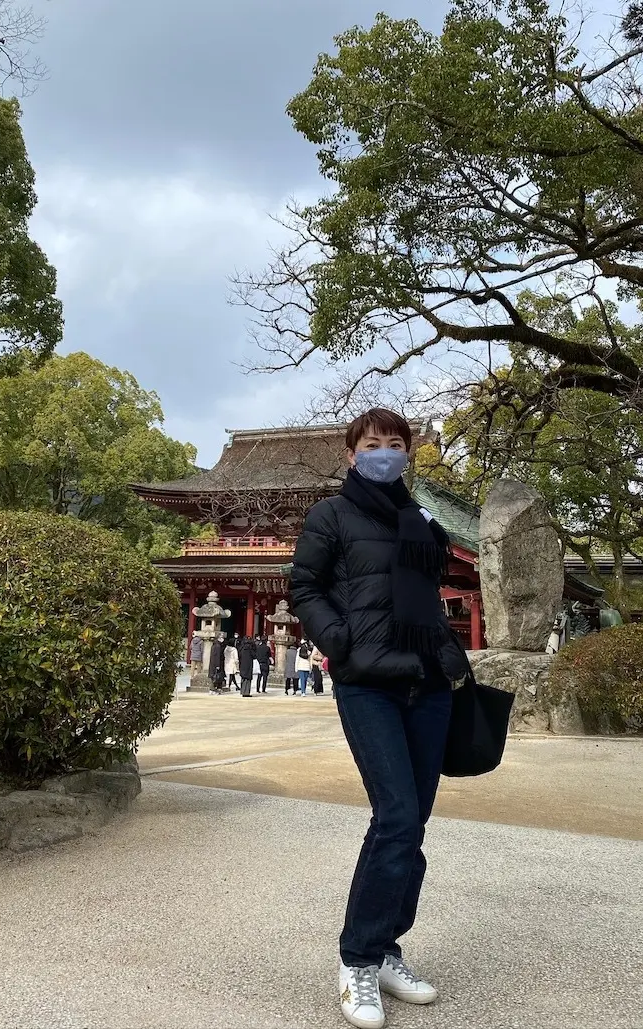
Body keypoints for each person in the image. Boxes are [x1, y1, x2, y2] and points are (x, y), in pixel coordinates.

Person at [289, 408, 469, 1029]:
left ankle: (388, 946)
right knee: (394, 816)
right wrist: (339, 641)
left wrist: (447, 654)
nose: (384, 452)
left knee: (412, 823)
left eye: (395, 443)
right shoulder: (331, 515)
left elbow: (435, 591)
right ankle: (358, 958)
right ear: (351, 454)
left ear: (408, 453)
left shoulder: (422, 518)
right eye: (372, 444)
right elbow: (304, 586)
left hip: (427, 682)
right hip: (368, 684)